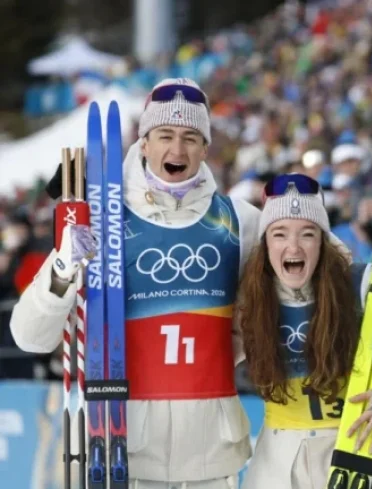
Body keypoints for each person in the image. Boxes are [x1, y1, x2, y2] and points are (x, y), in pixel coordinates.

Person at [10, 78, 261, 488]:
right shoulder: (99, 218)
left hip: (211, 454)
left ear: (205, 148)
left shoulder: (239, 220)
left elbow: (309, 271)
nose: (177, 150)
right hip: (122, 446)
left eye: (190, 137)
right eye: (164, 135)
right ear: (144, 143)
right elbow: (29, 337)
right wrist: (63, 266)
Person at [238, 173, 372, 489]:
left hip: (352, 456)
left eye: (307, 234)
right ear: (265, 243)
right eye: (280, 234)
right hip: (276, 464)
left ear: (323, 242)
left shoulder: (364, 286)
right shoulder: (251, 297)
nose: (293, 246)